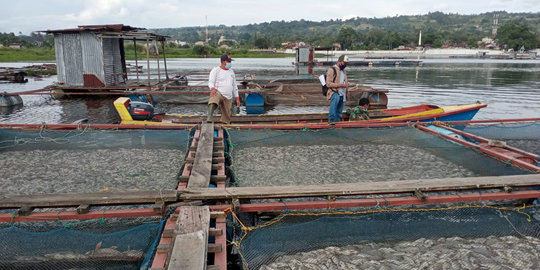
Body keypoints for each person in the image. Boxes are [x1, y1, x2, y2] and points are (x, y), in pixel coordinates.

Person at [207, 53, 241, 124]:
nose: (230, 63)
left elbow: (234, 86)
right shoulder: (216, 70)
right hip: (219, 92)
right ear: (223, 62)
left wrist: (237, 98)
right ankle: (210, 116)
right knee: (214, 96)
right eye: (228, 61)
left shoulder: (231, 72)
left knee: (227, 116)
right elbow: (210, 82)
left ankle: (224, 123)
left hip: (228, 96)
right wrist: (212, 88)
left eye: (230, 61)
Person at [325, 55, 351, 123]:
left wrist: (348, 84)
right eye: (344, 63)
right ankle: (331, 120)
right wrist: (339, 85)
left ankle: (338, 123)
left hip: (343, 93)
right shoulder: (332, 70)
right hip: (334, 91)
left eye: (346, 64)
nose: (345, 65)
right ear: (339, 61)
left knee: (339, 113)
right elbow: (328, 83)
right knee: (335, 100)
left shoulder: (344, 71)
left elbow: (344, 81)